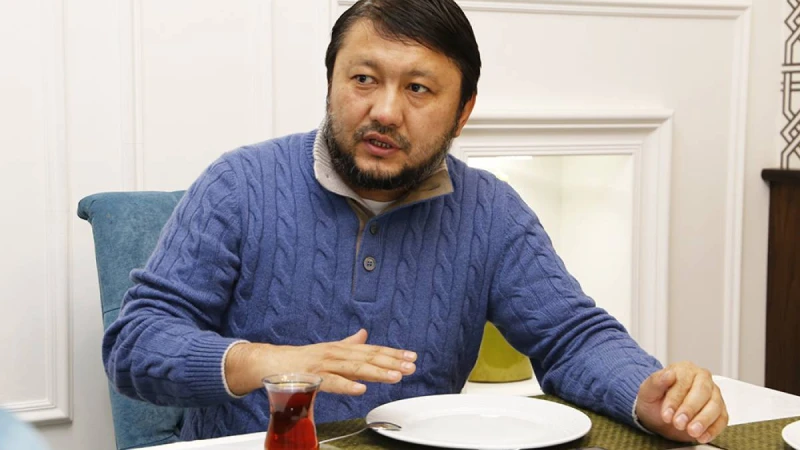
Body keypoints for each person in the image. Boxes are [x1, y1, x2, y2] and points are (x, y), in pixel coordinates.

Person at [102, 0, 728, 444]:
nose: (384, 111)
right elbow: (137, 344)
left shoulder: (492, 211)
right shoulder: (239, 184)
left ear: (463, 111)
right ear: (331, 83)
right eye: (363, 79)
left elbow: (572, 338)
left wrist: (647, 392)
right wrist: (269, 362)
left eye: (419, 89)